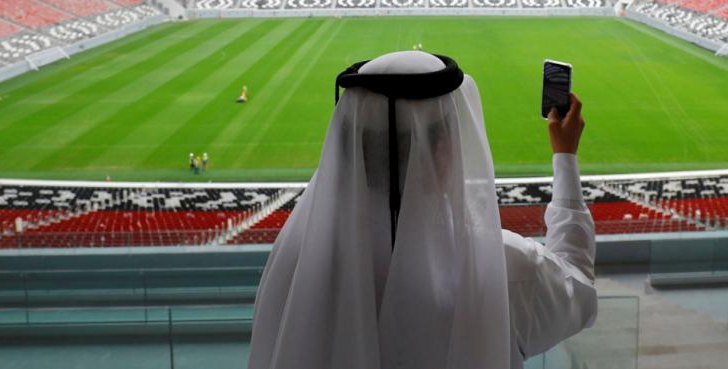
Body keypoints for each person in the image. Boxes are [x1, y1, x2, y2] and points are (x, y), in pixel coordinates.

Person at [248, 51, 596, 369]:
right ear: (443, 150)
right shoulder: (500, 268)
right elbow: (578, 285)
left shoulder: (295, 261)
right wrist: (565, 157)